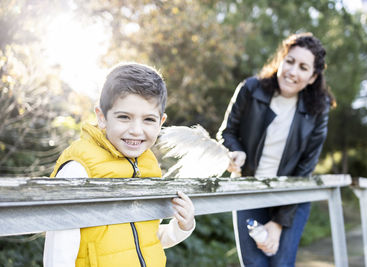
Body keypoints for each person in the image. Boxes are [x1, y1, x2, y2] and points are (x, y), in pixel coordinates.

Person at [43, 63, 195, 267]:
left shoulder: (148, 165)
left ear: (161, 122)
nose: (136, 130)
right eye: (124, 117)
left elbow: (147, 238)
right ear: (102, 117)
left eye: (149, 119)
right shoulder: (79, 168)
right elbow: (58, 254)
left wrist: (182, 226)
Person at [217, 32, 335, 267]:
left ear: (312, 77)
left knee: (281, 264)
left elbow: (305, 170)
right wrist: (234, 151)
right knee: (254, 264)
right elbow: (226, 133)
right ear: (281, 60)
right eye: (289, 61)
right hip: (247, 191)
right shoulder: (250, 89)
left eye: (303, 67)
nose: (292, 71)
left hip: (292, 196)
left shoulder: (318, 110)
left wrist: (279, 223)